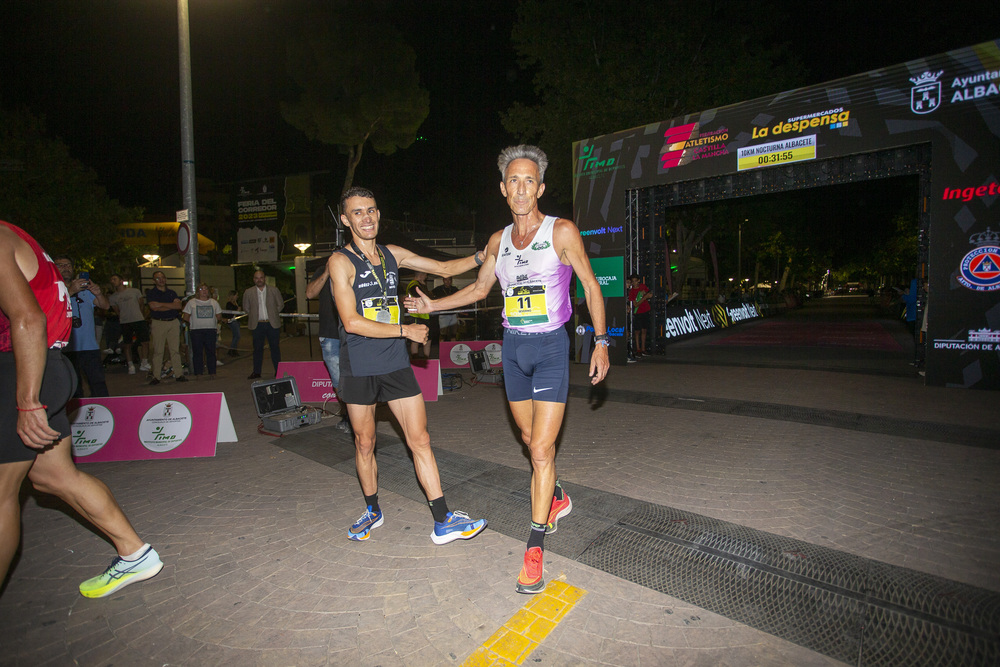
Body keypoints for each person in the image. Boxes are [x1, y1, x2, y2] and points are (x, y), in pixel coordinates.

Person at [406, 145, 610, 594]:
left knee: (540, 451)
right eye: (512, 181)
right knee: (527, 440)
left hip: (552, 348)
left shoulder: (562, 232)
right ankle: (556, 497)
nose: (521, 188)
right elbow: (480, 289)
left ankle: (534, 548)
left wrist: (601, 341)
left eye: (528, 181)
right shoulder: (498, 241)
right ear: (503, 189)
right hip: (513, 349)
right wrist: (433, 305)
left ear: (540, 187)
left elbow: (592, 286)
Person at [0, 220, 163, 598]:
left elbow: (28, 318)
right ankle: (134, 554)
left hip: (24, 370)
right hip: (46, 366)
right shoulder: (18, 237)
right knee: (53, 477)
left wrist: (27, 400)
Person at [327, 186, 487, 545]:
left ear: (379, 214)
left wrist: (482, 255)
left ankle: (443, 519)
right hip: (360, 365)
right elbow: (350, 322)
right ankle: (372, 510)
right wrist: (405, 329)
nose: (366, 218)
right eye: (357, 212)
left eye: (370, 210)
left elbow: (445, 266)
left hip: (395, 364)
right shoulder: (340, 262)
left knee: (421, 440)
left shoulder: (392, 255)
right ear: (345, 219)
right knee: (365, 443)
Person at [52, 255, 109, 397]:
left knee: (98, 384)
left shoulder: (85, 290)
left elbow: (105, 306)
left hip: (90, 347)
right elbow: (52, 310)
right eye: (61, 265)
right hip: (67, 348)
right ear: (53, 268)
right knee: (73, 388)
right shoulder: (53, 289)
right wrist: (71, 291)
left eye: (68, 265)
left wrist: (98, 293)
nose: (66, 268)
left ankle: (105, 415)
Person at [306, 262, 351, 432]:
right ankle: (347, 416)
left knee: (356, 377)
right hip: (330, 334)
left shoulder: (353, 267)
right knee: (339, 381)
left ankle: (357, 417)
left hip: (352, 332)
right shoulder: (321, 270)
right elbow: (310, 294)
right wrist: (326, 271)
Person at [243, 270, 283, 380]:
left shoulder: (274, 290)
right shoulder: (248, 292)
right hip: (257, 325)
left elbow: (280, 304)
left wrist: (273, 314)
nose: (259, 280)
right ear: (253, 279)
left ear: (264, 278)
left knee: (275, 348)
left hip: (272, 324)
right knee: (257, 349)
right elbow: (246, 307)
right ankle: (256, 372)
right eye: (256, 278)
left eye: (261, 277)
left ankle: (278, 371)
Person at [108, 274, 150, 375]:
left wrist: (140, 316)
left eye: (115, 279)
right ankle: (130, 365)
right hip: (125, 322)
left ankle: (144, 362)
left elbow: (141, 304)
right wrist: (124, 316)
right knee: (127, 344)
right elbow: (117, 310)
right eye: (111, 280)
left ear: (121, 280)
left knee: (145, 342)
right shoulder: (113, 297)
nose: (113, 281)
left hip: (138, 319)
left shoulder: (135, 291)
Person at [182, 283, 222, 379]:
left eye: (206, 289)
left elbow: (219, 316)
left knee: (211, 352)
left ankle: (212, 372)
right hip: (196, 331)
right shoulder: (191, 302)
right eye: (201, 289)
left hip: (210, 330)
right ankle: (198, 373)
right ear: (197, 291)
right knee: (197, 352)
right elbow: (186, 316)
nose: (204, 291)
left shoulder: (214, 302)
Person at [405, 271, 431, 358]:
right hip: (416, 315)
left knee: (427, 338)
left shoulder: (417, 285)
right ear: (421, 275)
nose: (426, 277)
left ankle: (426, 358)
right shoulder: (414, 285)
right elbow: (422, 297)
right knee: (415, 339)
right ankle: (415, 358)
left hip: (423, 315)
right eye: (425, 275)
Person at [627, 273, 651, 359]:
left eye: (635, 281)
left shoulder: (643, 287)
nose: (634, 283)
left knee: (644, 330)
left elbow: (650, 294)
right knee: (637, 331)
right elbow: (636, 304)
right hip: (638, 312)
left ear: (638, 281)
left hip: (645, 310)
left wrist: (646, 294)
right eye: (632, 282)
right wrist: (644, 297)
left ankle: (643, 348)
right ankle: (638, 349)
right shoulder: (632, 292)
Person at [433, 276, 460, 342]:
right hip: (443, 314)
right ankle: (441, 350)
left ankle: (453, 350)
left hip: (453, 314)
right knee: (443, 334)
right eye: (446, 280)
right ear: (443, 280)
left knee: (453, 334)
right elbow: (430, 295)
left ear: (451, 281)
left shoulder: (454, 289)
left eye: (449, 280)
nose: (448, 282)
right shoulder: (438, 289)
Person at [223, 290, 242, 357]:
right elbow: (230, 313)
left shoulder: (235, 303)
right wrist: (237, 310)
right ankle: (232, 350)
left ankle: (233, 349)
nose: (237, 297)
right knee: (237, 336)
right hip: (232, 321)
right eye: (236, 295)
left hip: (235, 321)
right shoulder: (229, 304)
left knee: (236, 336)